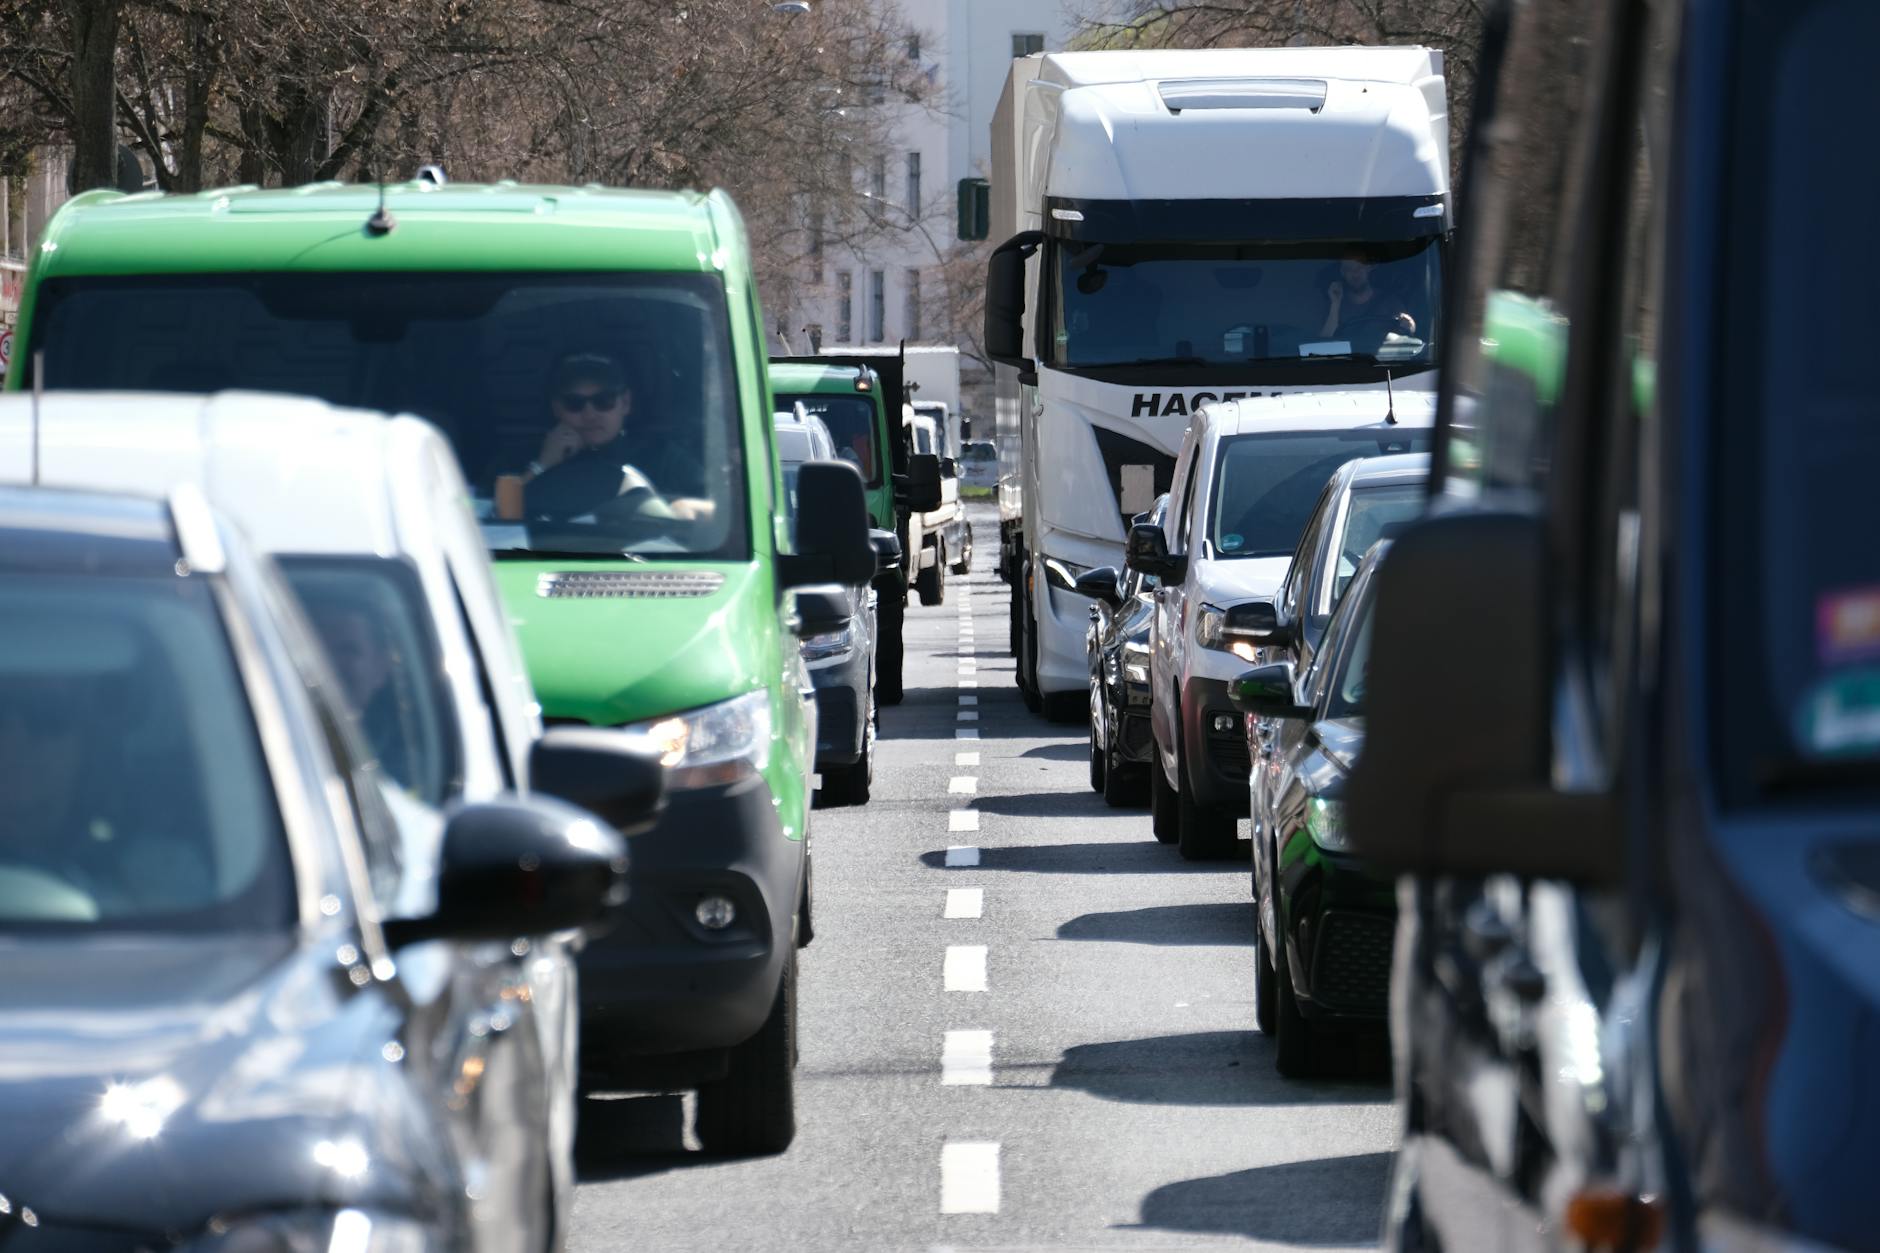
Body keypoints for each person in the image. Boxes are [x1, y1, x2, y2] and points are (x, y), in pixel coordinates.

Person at [519, 352, 711, 523]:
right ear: (556, 408)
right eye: (574, 403)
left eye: (604, 401)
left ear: (625, 403)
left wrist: (682, 506)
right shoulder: (524, 456)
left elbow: (723, 509)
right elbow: (496, 521)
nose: (590, 415)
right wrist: (541, 466)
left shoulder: (662, 457)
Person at [308, 598, 414, 789]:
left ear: (380, 667)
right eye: (317, 647)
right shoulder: (255, 737)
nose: (328, 664)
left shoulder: (409, 766)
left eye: (347, 650)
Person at [1318, 249, 1417, 346]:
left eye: (1359, 267)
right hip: (1346, 361)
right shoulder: (1335, 306)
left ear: (1368, 268)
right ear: (1342, 273)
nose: (1355, 273)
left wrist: (1410, 326)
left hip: (1383, 361)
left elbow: (1406, 339)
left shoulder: (1391, 302)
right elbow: (1323, 343)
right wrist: (1335, 304)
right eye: (1348, 268)